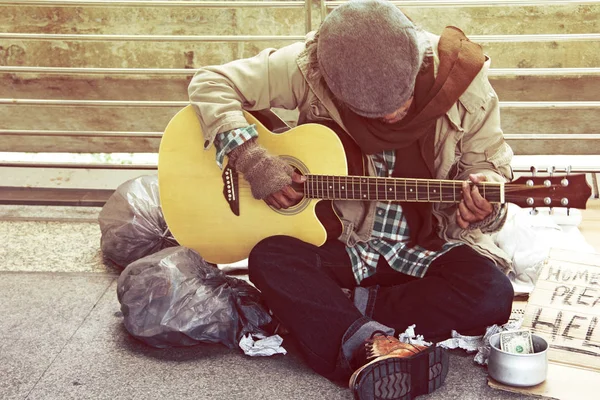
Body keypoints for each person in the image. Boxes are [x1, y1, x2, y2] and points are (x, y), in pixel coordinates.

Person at [188, 1, 515, 399]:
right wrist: (253, 160)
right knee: (269, 258)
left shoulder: (463, 80)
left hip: (426, 247)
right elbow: (210, 82)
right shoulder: (309, 66)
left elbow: (487, 169)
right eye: (374, 113)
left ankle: (341, 322)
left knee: (494, 294)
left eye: (404, 102)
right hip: (343, 243)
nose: (395, 117)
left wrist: (485, 200)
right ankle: (368, 343)